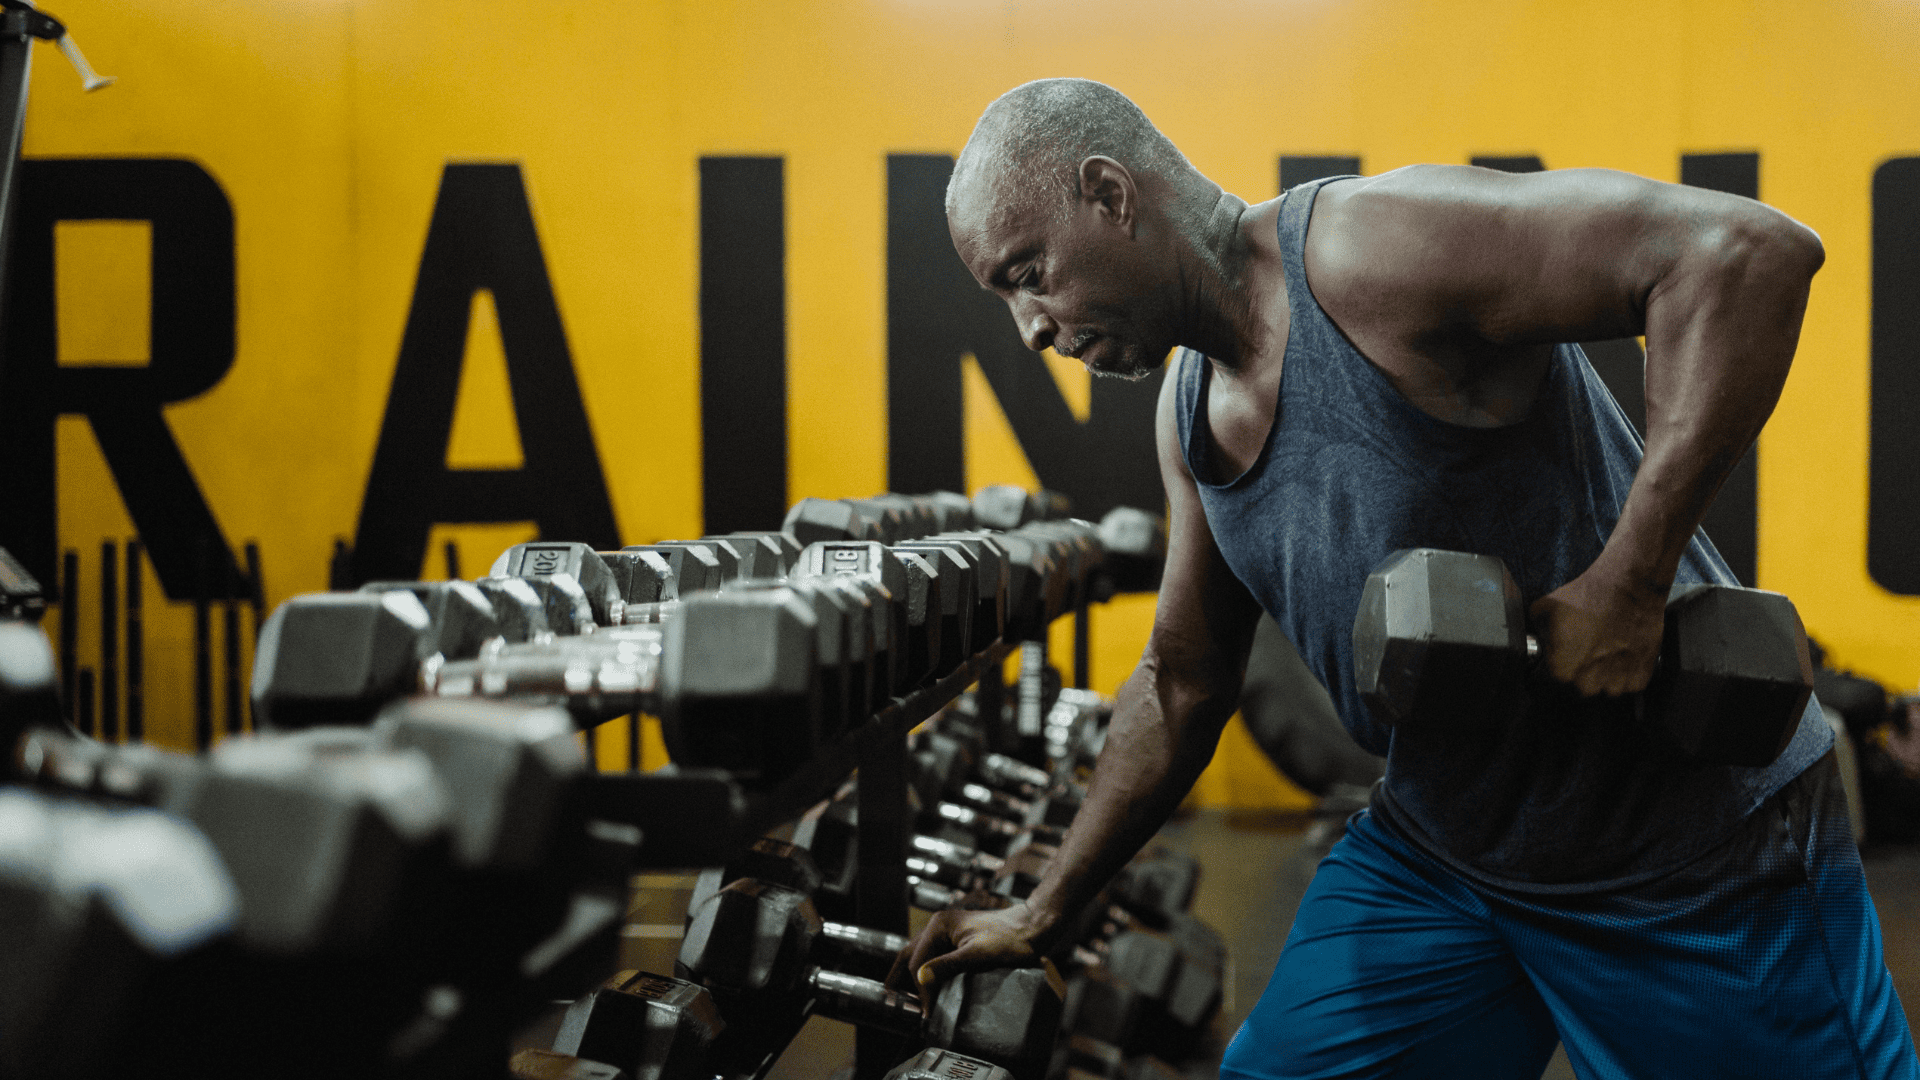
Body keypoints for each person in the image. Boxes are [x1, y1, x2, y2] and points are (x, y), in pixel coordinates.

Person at [896, 77, 1918, 1078]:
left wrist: (1632, 583)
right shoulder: (1188, 414)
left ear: (1110, 195)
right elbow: (1182, 679)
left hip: (1685, 858)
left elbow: (1745, 254)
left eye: (1028, 274)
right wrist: (1044, 908)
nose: (1031, 328)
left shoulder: (1369, 251)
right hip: (1447, 858)